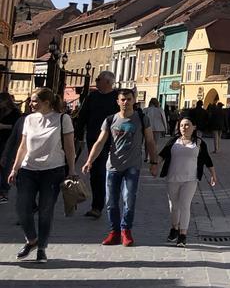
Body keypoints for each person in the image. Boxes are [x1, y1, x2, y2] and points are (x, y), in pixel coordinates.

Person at [7, 88, 78, 262]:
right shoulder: (29, 119)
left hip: (53, 171)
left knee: (46, 210)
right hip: (28, 170)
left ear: (46, 102)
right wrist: (15, 168)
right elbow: (23, 146)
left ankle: (42, 248)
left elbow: (69, 147)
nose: (30, 104)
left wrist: (72, 170)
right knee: (22, 208)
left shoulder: (63, 119)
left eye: (34, 101)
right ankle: (32, 239)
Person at [83, 88, 159, 246]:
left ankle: (126, 230)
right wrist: (89, 161)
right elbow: (100, 142)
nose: (126, 102)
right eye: (123, 100)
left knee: (128, 199)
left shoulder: (142, 118)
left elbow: (150, 142)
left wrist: (153, 162)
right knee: (111, 201)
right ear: (117, 101)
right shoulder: (110, 120)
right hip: (113, 166)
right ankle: (114, 232)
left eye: (129, 99)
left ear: (134, 100)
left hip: (132, 166)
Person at [158, 116, 216, 247]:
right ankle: (174, 228)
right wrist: (155, 165)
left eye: (187, 125)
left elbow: (207, 160)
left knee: (185, 205)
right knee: (174, 206)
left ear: (194, 127)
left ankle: (182, 235)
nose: (184, 127)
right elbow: (162, 155)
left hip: (190, 179)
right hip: (172, 178)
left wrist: (213, 174)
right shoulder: (173, 141)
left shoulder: (199, 143)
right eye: (182, 125)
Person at [75, 71, 120, 219]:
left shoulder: (118, 98)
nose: (96, 81)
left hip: (114, 141)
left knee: (109, 173)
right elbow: (82, 117)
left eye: (98, 79)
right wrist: (78, 135)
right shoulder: (92, 96)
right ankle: (97, 206)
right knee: (96, 172)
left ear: (108, 82)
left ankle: (108, 204)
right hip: (94, 139)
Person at [0, 93, 21, 203]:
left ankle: (4, 192)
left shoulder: (16, 113)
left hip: (9, 143)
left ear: (6, 102)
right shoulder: (1, 112)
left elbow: (17, 128)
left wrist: (4, 126)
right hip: (1, 141)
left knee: (5, 167)